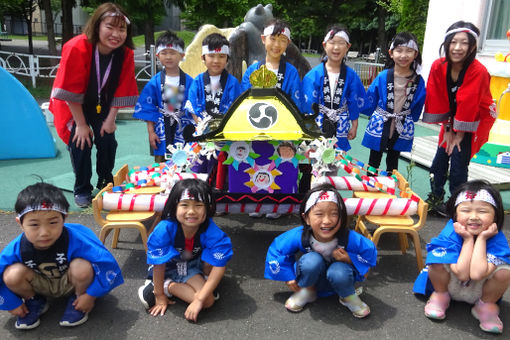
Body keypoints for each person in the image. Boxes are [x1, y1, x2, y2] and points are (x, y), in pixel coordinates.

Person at [49, 2, 138, 208]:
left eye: (121, 29)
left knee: (108, 141)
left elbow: (123, 87)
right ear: (97, 26)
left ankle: (105, 181)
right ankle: (82, 188)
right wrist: (81, 125)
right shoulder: (76, 47)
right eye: (110, 27)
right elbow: (70, 89)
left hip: (101, 105)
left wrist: (111, 119)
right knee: (81, 142)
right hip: (73, 105)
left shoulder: (125, 53)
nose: (116, 34)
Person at [0, 183, 124, 329]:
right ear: (20, 223)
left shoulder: (76, 239)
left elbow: (105, 263)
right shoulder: (17, 247)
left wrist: (91, 294)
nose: (44, 232)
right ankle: (34, 300)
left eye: (53, 222)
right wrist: (11, 303)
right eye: (34, 225)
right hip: (41, 284)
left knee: (81, 267)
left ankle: (78, 299)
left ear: (64, 219)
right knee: (11, 274)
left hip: (70, 283)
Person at [264, 183, 377, 317]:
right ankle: (307, 291)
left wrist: (349, 259)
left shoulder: (349, 237)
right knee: (311, 261)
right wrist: (288, 276)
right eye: (319, 214)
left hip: (340, 278)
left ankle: (348, 296)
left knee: (338, 270)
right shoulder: (300, 235)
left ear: (342, 217)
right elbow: (278, 250)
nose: (327, 221)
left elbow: (369, 252)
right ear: (306, 218)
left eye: (334, 214)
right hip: (310, 278)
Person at [413, 180, 510, 334]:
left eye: (483, 211)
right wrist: (468, 239)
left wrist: (482, 239)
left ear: (496, 216)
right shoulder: (450, 233)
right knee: (437, 262)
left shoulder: (496, 239)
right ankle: (440, 296)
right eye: (466, 210)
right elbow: (462, 273)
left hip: (479, 288)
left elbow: (477, 273)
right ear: (455, 214)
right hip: (449, 283)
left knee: (505, 271)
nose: (474, 217)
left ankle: (485, 306)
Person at [422, 21, 495, 216]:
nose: (457, 48)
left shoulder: (478, 70)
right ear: (447, 43)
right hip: (452, 119)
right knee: (439, 160)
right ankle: (436, 196)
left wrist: (459, 134)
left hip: (475, 119)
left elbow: (469, 101)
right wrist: (447, 129)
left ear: (472, 47)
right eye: (453, 42)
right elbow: (438, 97)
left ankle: (458, 203)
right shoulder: (439, 66)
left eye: (464, 43)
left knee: (459, 163)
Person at [137, 178, 233, 322]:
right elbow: (159, 264)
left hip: (190, 267)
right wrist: (159, 296)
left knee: (207, 301)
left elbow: (220, 264)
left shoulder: (211, 229)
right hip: (167, 267)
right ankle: (162, 286)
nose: (191, 211)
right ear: (174, 206)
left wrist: (199, 299)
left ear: (208, 208)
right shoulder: (164, 229)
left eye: (199, 205)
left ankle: (174, 287)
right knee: (208, 298)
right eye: (184, 205)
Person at [361, 32, 426, 173]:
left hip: (401, 122)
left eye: (409, 51)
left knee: (393, 159)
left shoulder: (418, 81)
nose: (403, 55)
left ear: (415, 54)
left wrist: (412, 118)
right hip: (381, 121)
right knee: (374, 158)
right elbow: (372, 96)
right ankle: (369, 186)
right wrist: (367, 110)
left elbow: (419, 101)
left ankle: (390, 187)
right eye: (399, 50)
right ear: (391, 53)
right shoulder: (383, 76)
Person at [302, 25, 366, 152]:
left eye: (341, 43)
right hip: (318, 121)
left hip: (341, 122)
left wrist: (354, 125)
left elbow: (354, 101)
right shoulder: (314, 74)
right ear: (325, 45)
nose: (336, 47)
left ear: (348, 47)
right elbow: (307, 102)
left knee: (336, 159)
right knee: (316, 160)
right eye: (332, 43)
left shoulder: (351, 75)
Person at [185, 33, 241, 174]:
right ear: (203, 57)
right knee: (199, 173)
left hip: (226, 138)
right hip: (202, 137)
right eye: (211, 56)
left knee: (224, 174)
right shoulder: (197, 81)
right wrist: (204, 129)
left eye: (221, 56)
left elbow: (237, 109)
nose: (216, 60)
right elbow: (192, 108)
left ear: (227, 59)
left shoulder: (233, 83)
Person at [134, 31, 193, 163]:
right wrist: (151, 132)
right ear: (157, 56)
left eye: (172, 53)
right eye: (164, 53)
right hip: (161, 130)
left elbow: (194, 107)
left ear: (182, 55)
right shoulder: (154, 82)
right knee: (161, 165)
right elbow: (148, 108)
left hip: (182, 129)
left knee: (183, 161)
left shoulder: (190, 82)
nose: (168, 57)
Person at [241, 19, 301, 108]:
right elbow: (242, 102)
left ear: (288, 43)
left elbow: (297, 105)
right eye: (272, 39)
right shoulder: (252, 70)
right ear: (263, 39)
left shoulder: (292, 72)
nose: (277, 44)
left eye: (282, 40)